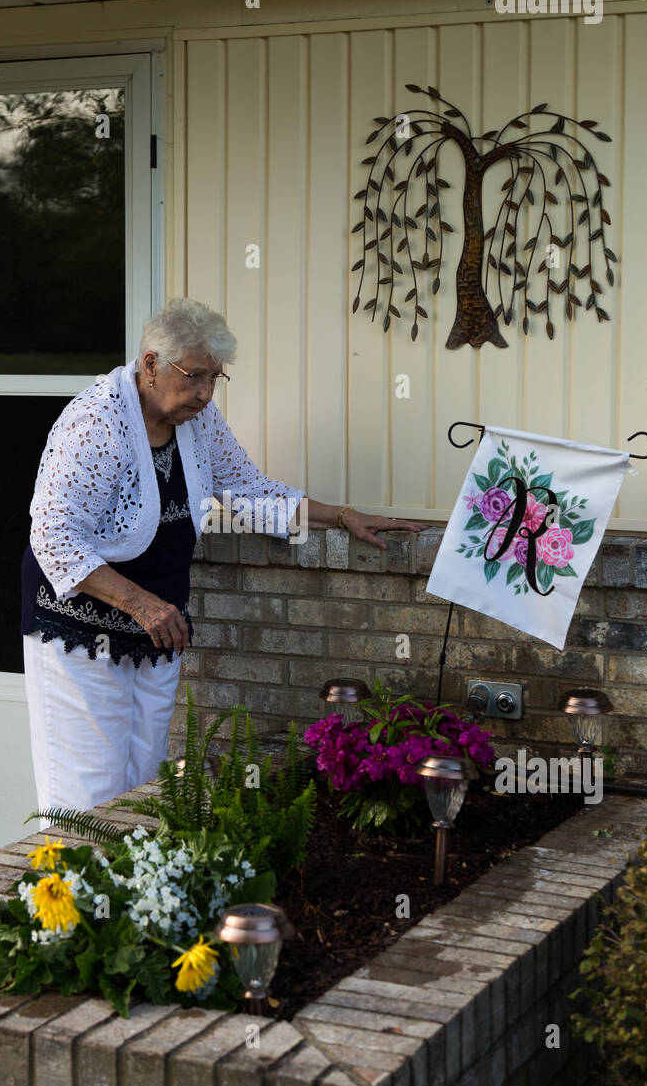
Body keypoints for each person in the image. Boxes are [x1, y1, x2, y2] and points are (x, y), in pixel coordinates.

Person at [21, 297, 423, 825]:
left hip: (156, 628)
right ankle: (68, 903)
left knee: (144, 785)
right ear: (150, 365)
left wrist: (342, 515)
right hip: (81, 630)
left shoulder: (197, 422)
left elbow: (251, 491)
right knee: (87, 794)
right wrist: (142, 605)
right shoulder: (96, 421)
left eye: (216, 378)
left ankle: (134, 902)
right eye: (195, 377)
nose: (206, 393)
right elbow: (52, 536)